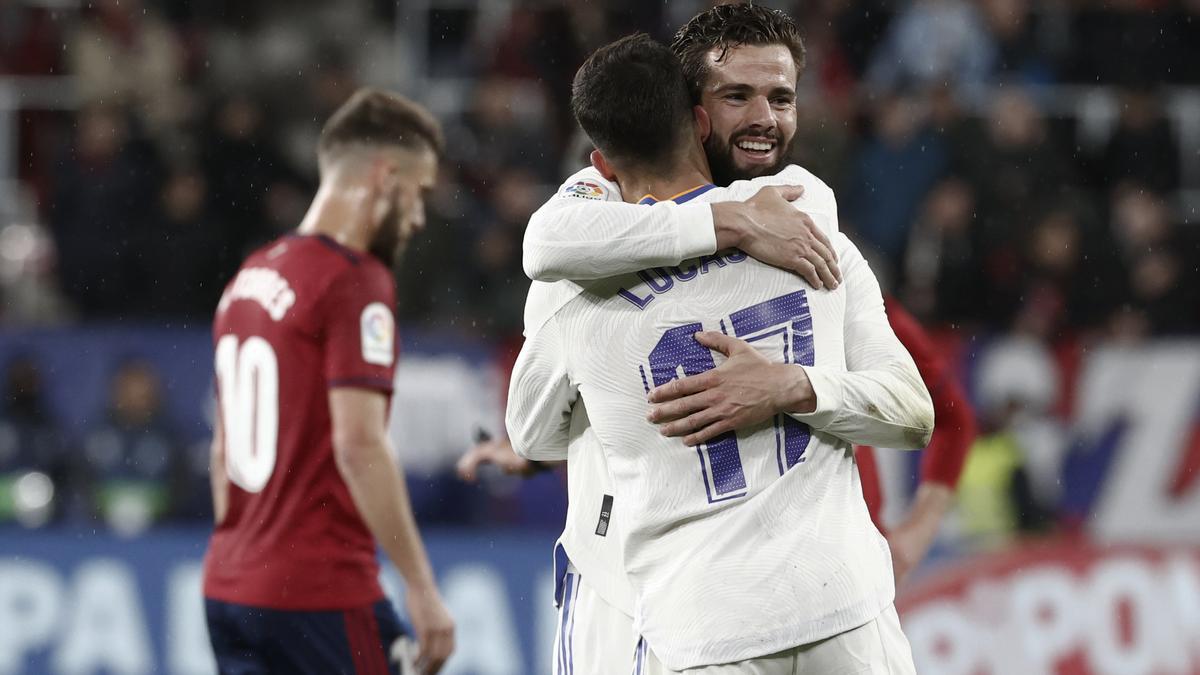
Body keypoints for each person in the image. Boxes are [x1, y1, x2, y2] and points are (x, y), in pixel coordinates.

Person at [508, 32, 932, 675]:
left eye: (781, 98)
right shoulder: (807, 223)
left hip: (700, 625)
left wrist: (792, 385)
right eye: (739, 96)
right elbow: (913, 417)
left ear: (600, 162)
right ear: (699, 114)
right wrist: (730, 223)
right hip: (838, 610)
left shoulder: (572, 288)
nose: (763, 118)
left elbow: (532, 433)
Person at [203, 88, 455, 675]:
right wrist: (420, 587)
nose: (418, 218)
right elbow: (359, 443)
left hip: (229, 586)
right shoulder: (353, 279)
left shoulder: (251, 273)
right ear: (385, 176)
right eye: (418, 194)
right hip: (318, 593)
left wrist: (249, 555)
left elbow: (223, 451)